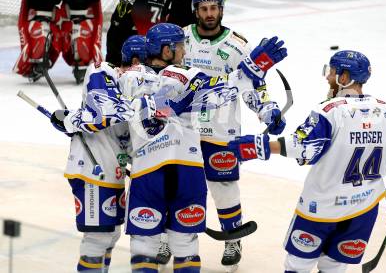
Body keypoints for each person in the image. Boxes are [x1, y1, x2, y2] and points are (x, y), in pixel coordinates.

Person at [51, 22, 287, 272]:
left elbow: (103, 114)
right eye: (181, 47)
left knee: (143, 247)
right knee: (185, 246)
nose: (184, 52)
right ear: (166, 50)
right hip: (188, 170)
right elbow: (226, 88)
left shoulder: (125, 79)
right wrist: (253, 67)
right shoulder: (188, 75)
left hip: (146, 172)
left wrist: (71, 120)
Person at [228, 50, 386, 273]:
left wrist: (259, 146)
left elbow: (305, 148)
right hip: (364, 208)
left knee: (298, 266)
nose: (327, 77)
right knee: (335, 267)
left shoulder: (330, 110)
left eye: (332, 72)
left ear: (344, 78)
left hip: (322, 207)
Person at [158, 0, 285, 270]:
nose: (209, 14)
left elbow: (254, 85)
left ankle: (233, 238)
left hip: (221, 129)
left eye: (214, 8)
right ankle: (167, 237)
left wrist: (267, 110)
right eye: (204, 9)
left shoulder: (239, 46)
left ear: (222, 10)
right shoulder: (180, 38)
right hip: (182, 128)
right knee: (174, 184)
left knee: (224, 185)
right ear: (196, 11)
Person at [52, 35, 148, 272]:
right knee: (97, 238)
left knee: (111, 235)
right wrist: (75, 120)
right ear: (136, 61)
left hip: (111, 171)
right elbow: (102, 113)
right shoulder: (102, 70)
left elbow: (127, 136)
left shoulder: (138, 87)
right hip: (92, 170)